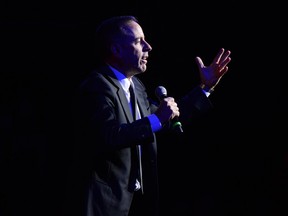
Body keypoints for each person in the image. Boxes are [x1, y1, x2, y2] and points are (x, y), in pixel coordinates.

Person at [72, 15, 231, 216]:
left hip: (137, 204)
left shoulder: (136, 86)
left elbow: (165, 118)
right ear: (116, 49)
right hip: (104, 205)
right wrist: (157, 119)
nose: (149, 47)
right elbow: (108, 135)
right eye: (139, 41)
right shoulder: (96, 86)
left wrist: (205, 88)